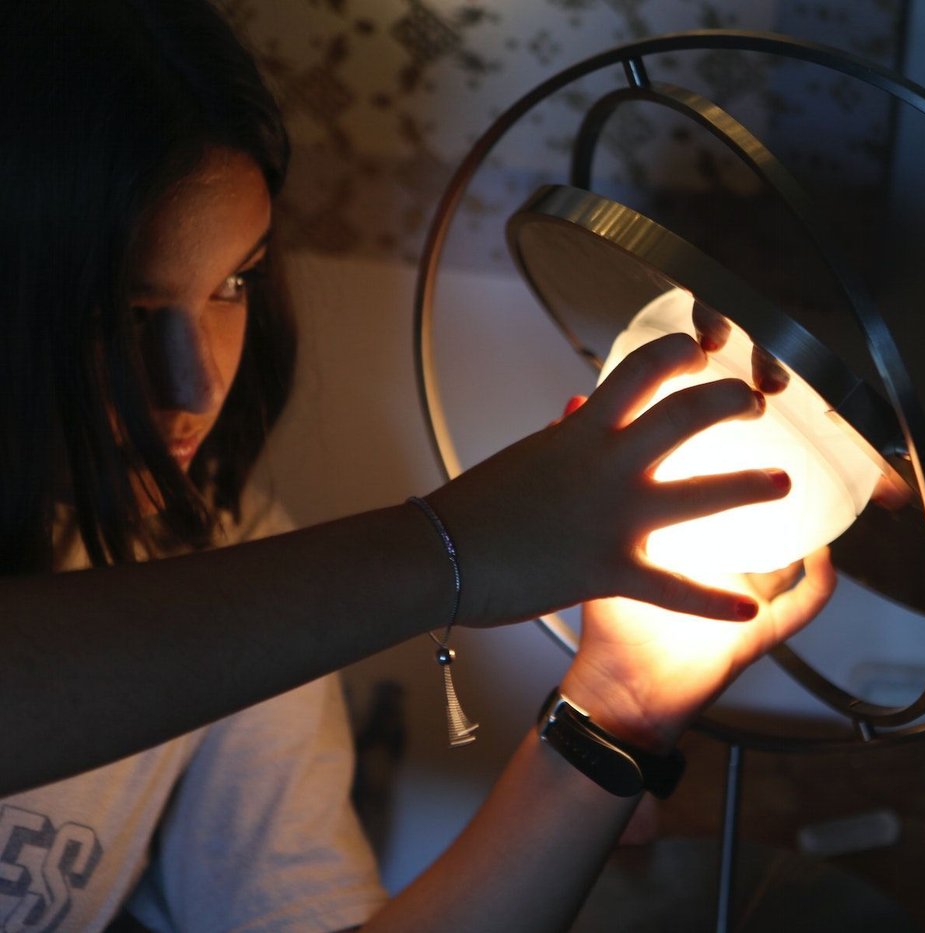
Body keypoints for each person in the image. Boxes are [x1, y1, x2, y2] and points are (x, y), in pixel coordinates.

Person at [0, 1, 835, 929]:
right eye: (123, 312)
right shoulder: (267, 601)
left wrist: (615, 712)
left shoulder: (228, 554)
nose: (195, 387)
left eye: (233, 282)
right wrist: (456, 547)